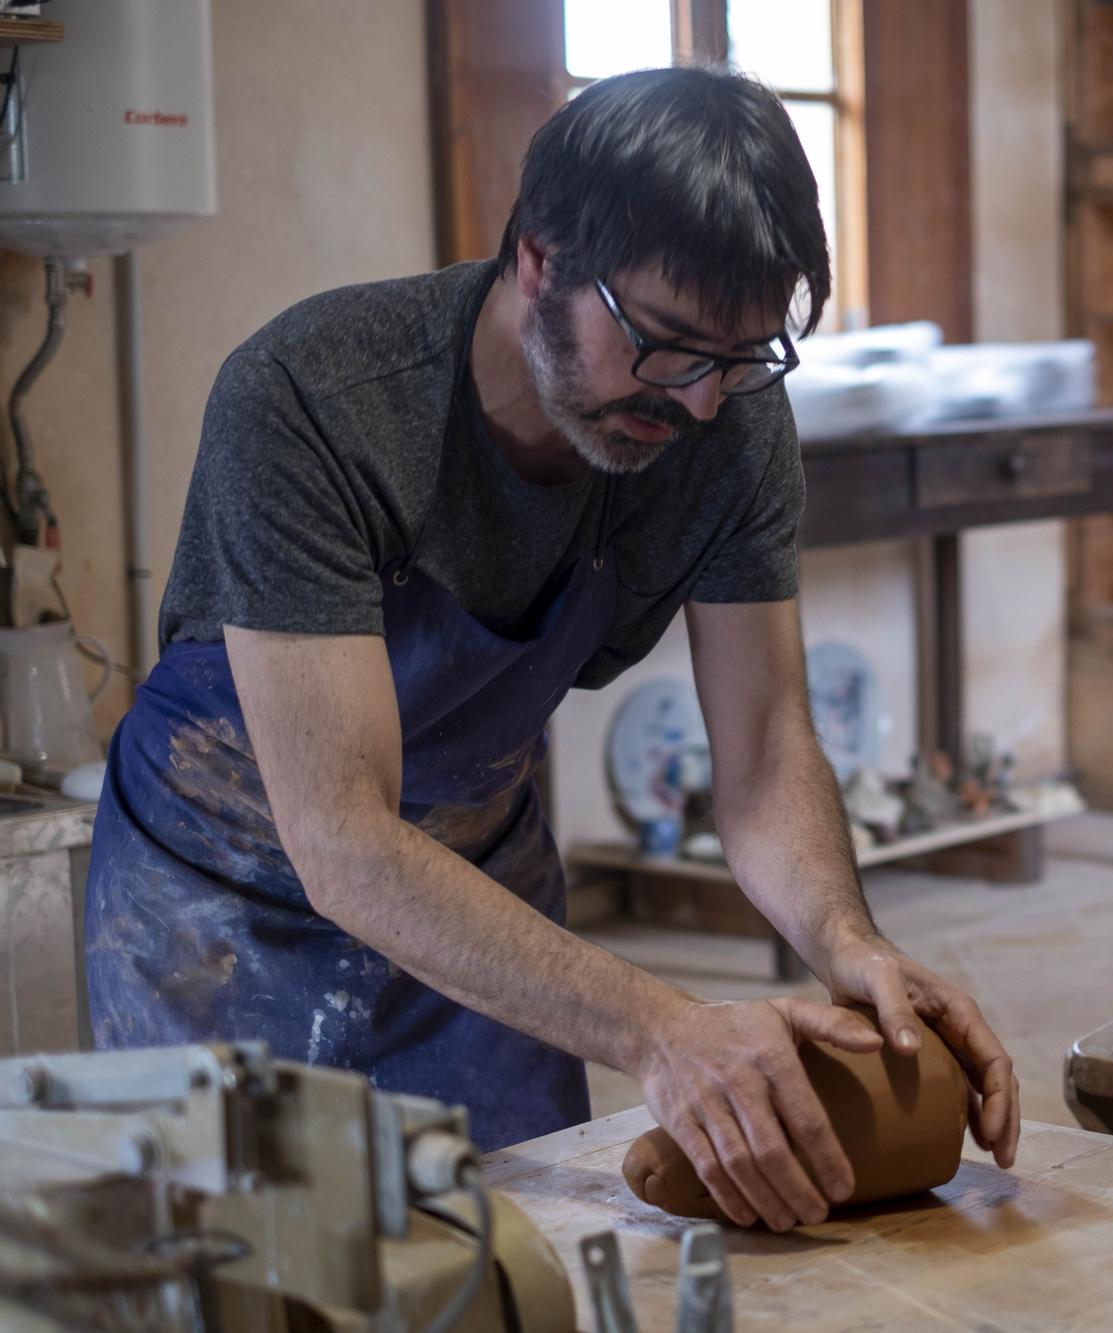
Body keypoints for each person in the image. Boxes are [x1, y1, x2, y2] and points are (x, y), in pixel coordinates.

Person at [84, 66, 1018, 1233]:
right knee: (255, 1273)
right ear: (538, 259)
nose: (696, 402)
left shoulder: (725, 428)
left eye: (740, 357)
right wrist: (658, 1024)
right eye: (666, 345)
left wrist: (845, 937)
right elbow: (348, 841)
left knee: (519, 1264)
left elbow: (769, 747)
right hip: (225, 911)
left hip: (482, 892)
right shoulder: (312, 401)